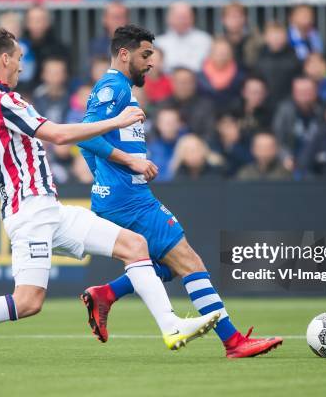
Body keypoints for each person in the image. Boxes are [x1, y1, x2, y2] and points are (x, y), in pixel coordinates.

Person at [0, 28, 219, 367]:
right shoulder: (5, 103)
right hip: (30, 215)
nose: (21, 66)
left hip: (50, 210)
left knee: (135, 246)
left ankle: (171, 327)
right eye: (18, 59)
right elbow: (60, 135)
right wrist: (116, 121)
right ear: (4, 59)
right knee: (28, 302)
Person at [77, 24, 283, 358]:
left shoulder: (117, 88)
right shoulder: (113, 86)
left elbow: (89, 141)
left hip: (126, 195)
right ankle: (233, 342)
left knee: (170, 264)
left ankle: (107, 294)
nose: (151, 63)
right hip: (129, 199)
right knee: (189, 261)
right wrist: (127, 163)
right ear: (124, 54)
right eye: (145, 55)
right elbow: (85, 135)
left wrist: (106, 173)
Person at [273, 76, 323, 165]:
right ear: (293, 93)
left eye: (307, 91)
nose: (303, 95)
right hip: (291, 161)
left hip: (318, 162)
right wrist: (285, 157)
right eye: (299, 91)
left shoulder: (323, 111)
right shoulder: (284, 111)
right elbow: (277, 139)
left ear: (316, 92)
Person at [155, 2, 212, 72]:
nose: (181, 21)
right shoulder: (159, 43)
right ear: (169, 18)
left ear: (193, 18)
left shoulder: (205, 40)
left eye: (185, 17)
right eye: (178, 17)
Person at [255, 21, 302, 105]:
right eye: (273, 36)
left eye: (279, 35)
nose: (276, 39)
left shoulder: (294, 59)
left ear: (286, 37)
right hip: (264, 103)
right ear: (265, 37)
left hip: (288, 103)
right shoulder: (259, 59)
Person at [160, 67, 216, 137]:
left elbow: (209, 134)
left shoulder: (206, 106)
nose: (182, 86)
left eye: (187, 82)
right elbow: (155, 132)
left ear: (194, 84)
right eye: (179, 82)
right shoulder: (163, 105)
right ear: (172, 83)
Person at [197, 37, 245, 106]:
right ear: (210, 53)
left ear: (232, 54)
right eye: (218, 51)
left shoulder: (241, 76)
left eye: (225, 51)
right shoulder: (199, 77)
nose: (222, 54)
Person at [147, 107, 186, 182]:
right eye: (166, 123)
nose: (169, 126)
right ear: (158, 125)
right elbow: (161, 179)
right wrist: (178, 157)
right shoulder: (151, 149)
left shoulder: (186, 144)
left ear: (180, 124)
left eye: (173, 122)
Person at [220, 1, 262, 69]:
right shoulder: (218, 43)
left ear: (245, 18)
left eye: (238, 16)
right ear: (223, 20)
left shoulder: (256, 40)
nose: (235, 20)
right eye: (231, 16)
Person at [32, 57, 70, 124]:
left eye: (58, 73)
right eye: (50, 72)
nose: (54, 76)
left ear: (65, 75)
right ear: (43, 74)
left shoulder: (72, 97)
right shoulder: (33, 98)